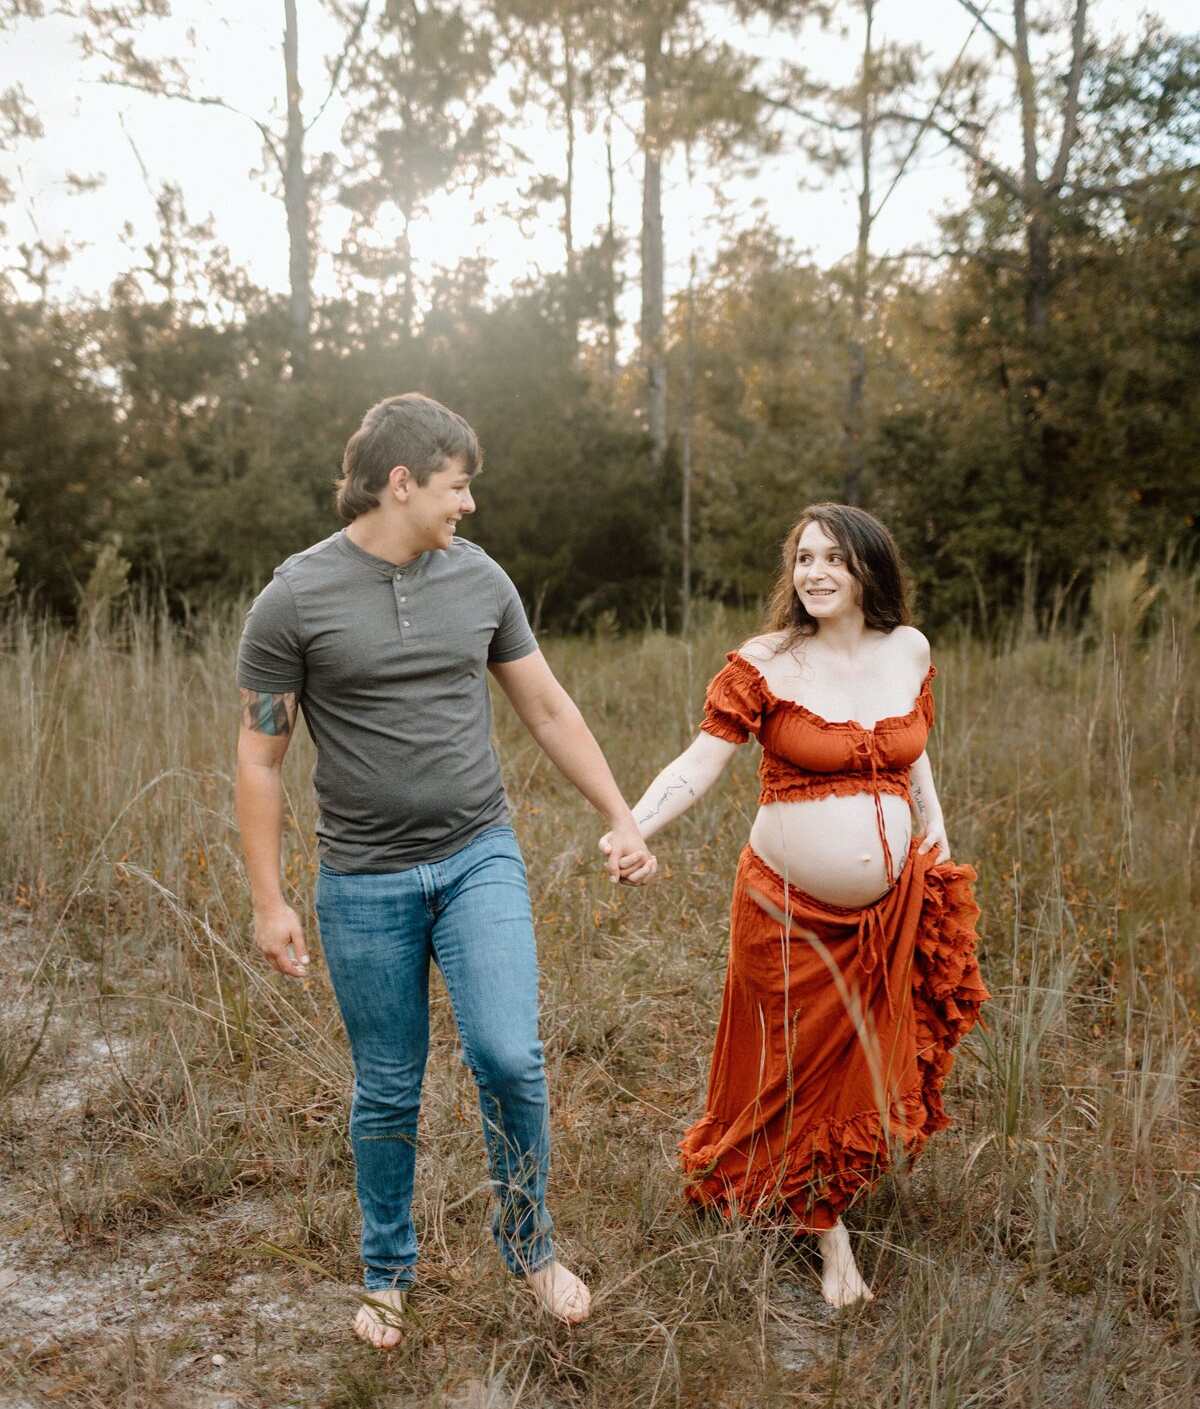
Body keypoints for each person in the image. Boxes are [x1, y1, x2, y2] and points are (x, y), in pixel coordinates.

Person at [236, 393, 656, 1346]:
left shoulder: (480, 581)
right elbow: (260, 756)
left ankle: (532, 1248)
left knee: (509, 1055)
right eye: (457, 487)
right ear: (402, 481)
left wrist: (620, 814)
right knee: (388, 1086)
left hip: (479, 859)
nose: (468, 506)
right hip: (363, 884)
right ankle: (387, 1272)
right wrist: (269, 902)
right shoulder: (294, 598)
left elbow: (546, 707)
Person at [619, 503, 989, 1307]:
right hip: (786, 913)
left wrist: (940, 850)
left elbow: (917, 761)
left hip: (890, 910)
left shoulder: (908, 650)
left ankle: (812, 1196)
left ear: (868, 572)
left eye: (834, 560)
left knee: (855, 1066)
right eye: (804, 559)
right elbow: (699, 762)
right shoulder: (766, 663)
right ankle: (832, 1245)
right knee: (784, 1073)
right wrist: (633, 827)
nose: (815, 574)